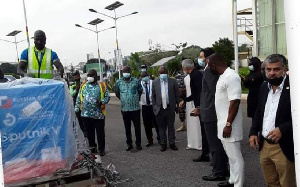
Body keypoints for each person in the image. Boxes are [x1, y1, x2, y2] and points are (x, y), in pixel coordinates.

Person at [249, 54, 295, 187]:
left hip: (284, 146)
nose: (272, 73)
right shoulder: (264, 87)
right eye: (268, 70)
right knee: (271, 183)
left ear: (284, 69)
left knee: (287, 183)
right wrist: (253, 132)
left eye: (276, 69)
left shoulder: (294, 88)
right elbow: (259, 111)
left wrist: (282, 129)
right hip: (265, 145)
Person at [209, 53, 244, 187]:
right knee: (231, 156)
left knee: (235, 157)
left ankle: (238, 184)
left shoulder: (231, 77)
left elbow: (234, 102)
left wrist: (228, 124)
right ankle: (232, 180)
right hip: (223, 123)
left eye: (208, 66)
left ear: (213, 65)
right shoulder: (223, 76)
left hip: (230, 124)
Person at [199, 48, 228, 182]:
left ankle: (218, 171)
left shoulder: (209, 70)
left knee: (214, 144)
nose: (200, 60)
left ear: (209, 59)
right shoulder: (210, 70)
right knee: (219, 143)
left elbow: (214, 90)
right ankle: (223, 167)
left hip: (211, 112)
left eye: (202, 57)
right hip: (212, 110)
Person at [179, 59, 210, 162]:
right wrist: (185, 100)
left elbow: (200, 93)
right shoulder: (195, 75)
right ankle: (205, 153)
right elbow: (195, 93)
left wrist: (199, 107)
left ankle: (207, 154)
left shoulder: (195, 76)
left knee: (206, 131)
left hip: (202, 107)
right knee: (204, 130)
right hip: (200, 105)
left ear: (185, 68)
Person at [75, 69, 110, 158]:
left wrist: (102, 101)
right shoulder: (83, 85)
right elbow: (79, 97)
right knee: (90, 134)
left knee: (100, 133)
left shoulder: (102, 85)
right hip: (86, 115)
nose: (89, 77)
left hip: (99, 115)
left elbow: (107, 97)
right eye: (88, 75)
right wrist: (76, 109)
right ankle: (93, 149)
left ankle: (101, 149)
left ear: (95, 76)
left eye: (91, 75)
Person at [115, 66, 143, 151]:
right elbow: (117, 92)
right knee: (127, 127)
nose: (126, 72)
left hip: (135, 108)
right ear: (122, 72)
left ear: (130, 72)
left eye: (127, 71)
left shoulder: (136, 81)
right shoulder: (118, 82)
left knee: (137, 127)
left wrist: (136, 99)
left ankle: (138, 143)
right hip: (125, 109)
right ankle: (129, 143)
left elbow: (140, 90)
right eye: (124, 71)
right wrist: (123, 99)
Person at [152, 66, 180, 152]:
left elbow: (177, 94)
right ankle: (163, 144)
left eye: (164, 73)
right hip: (159, 109)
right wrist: (155, 108)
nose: (163, 75)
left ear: (167, 73)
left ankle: (172, 143)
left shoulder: (173, 81)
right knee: (161, 128)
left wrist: (177, 106)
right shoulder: (155, 82)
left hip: (170, 108)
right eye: (161, 73)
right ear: (158, 74)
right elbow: (153, 96)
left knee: (171, 127)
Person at [140, 71, 160, 147]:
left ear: (148, 76)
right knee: (147, 124)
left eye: (146, 76)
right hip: (145, 106)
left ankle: (160, 138)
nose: (145, 77)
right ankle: (150, 140)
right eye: (143, 76)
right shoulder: (139, 84)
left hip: (153, 105)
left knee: (157, 123)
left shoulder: (153, 83)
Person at [184, 74, 202, 150]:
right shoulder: (185, 78)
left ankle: (199, 143)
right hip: (189, 103)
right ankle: (191, 142)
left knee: (197, 123)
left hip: (196, 101)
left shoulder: (197, 76)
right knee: (190, 123)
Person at [70, 71, 86, 137]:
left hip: (83, 104)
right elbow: (71, 94)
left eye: (77, 76)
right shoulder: (72, 85)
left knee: (84, 118)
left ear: (79, 76)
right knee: (79, 118)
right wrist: (76, 90)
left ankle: (86, 131)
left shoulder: (83, 84)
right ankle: (82, 131)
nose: (76, 77)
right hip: (76, 104)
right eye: (75, 76)